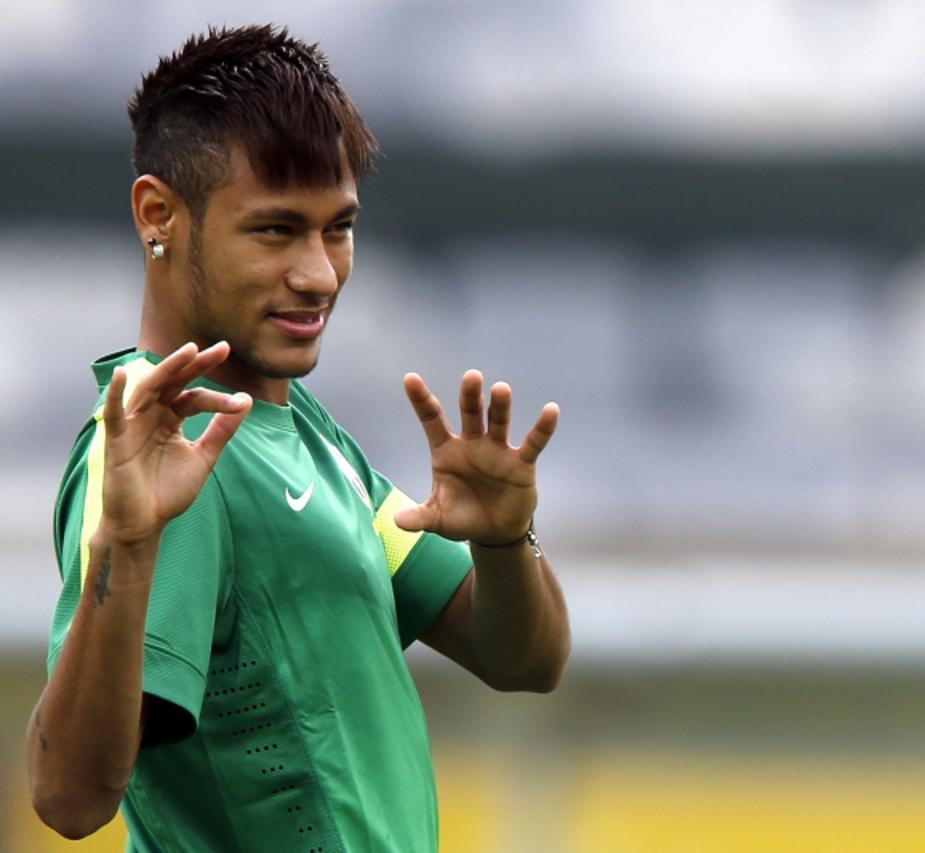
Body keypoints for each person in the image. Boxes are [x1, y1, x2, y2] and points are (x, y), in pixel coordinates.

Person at [25, 24, 570, 851]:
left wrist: (504, 540)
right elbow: (67, 798)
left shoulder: (306, 435)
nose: (319, 273)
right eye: (277, 231)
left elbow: (523, 660)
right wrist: (129, 546)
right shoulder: (162, 455)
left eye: (337, 228)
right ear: (158, 215)